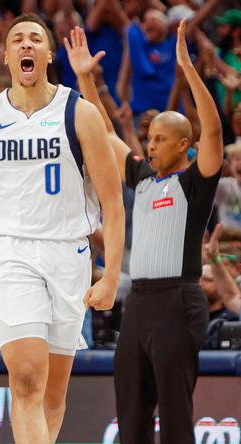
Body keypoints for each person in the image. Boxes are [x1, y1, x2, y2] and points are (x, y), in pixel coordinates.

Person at [0, 14, 125, 443]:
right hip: (10, 252)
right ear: (6, 55)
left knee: (52, 397)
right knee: (27, 379)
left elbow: (112, 202)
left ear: (49, 55)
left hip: (67, 253)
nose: (26, 45)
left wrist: (109, 274)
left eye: (35, 39)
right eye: (18, 40)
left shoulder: (80, 113)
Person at [66, 22, 222, 442]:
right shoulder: (142, 177)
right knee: (130, 411)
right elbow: (103, 133)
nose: (149, 146)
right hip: (139, 302)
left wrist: (188, 70)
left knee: (175, 414)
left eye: (159, 139)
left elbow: (214, 131)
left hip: (179, 299)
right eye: (149, 139)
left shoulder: (196, 182)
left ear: (183, 144)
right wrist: (85, 78)